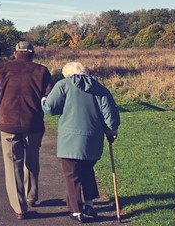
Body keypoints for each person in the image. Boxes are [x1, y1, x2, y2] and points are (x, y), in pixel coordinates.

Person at [41, 61, 120, 223]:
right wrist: (111, 129)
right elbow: (110, 114)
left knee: (72, 175)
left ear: (67, 74)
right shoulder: (100, 88)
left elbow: (50, 108)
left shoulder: (63, 85)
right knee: (87, 170)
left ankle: (77, 211)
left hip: (69, 140)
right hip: (93, 139)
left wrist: (43, 101)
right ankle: (89, 204)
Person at [0, 41, 53, 220]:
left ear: (15, 53)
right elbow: (49, 97)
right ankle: (32, 196)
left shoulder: (3, 69)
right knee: (32, 160)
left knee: (13, 165)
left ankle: (19, 207)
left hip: (8, 123)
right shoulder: (42, 71)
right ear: (31, 54)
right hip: (34, 124)